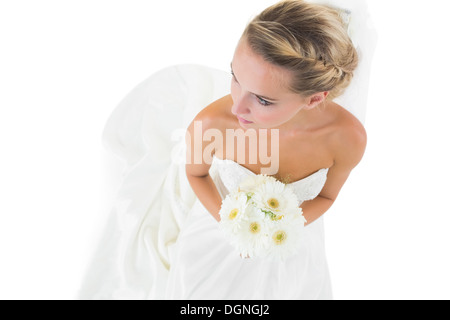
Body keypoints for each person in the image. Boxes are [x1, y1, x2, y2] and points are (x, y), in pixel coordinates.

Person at [79, 0, 376, 300]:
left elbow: (326, 196)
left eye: (262, 100)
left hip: (291, 245)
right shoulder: (212, 124)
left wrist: (277, 232)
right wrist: (233, 225)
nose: (237, 106)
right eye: (235, 76)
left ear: (313, 99)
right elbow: (196, 175)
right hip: (216, 235)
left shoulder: (348, 138)